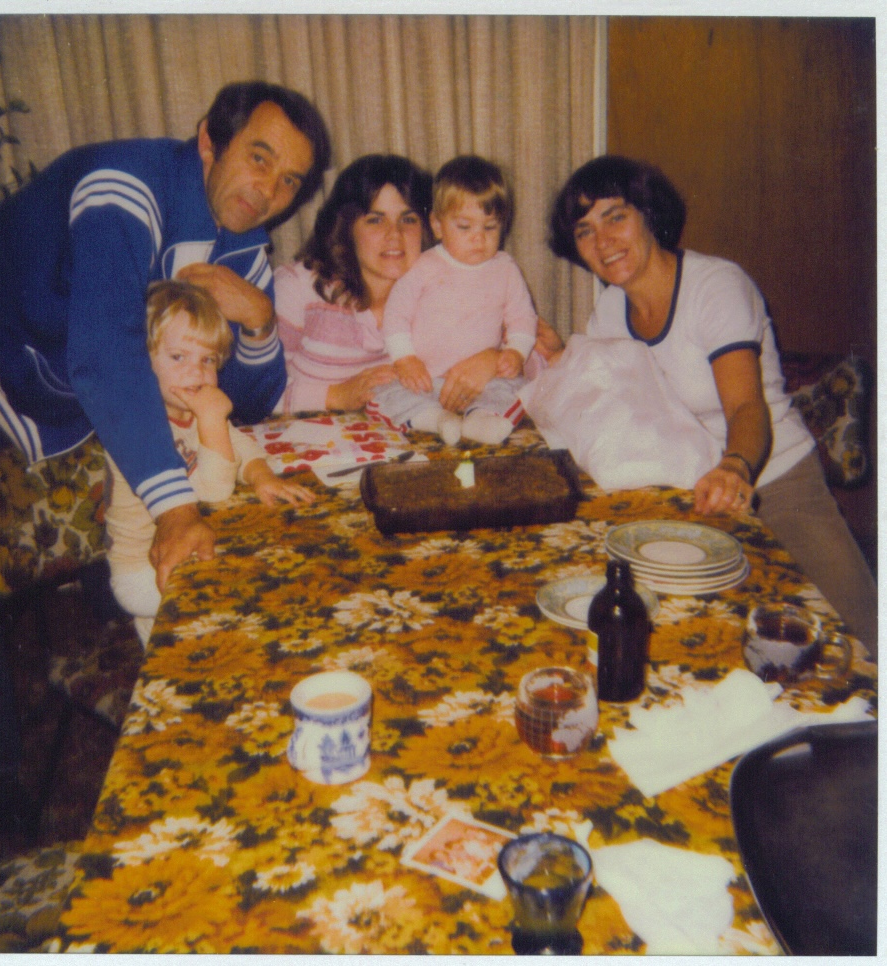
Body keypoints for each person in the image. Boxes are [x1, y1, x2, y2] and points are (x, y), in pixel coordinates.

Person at [0, 81, 330, 836]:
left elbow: (246, 401)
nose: (271, 190)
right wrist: (176, 510)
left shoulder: (240, 243)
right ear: (207, 141)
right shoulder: (125, 187)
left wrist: (255, 318)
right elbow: (103, 353)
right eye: (259, 159)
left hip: (47, 390)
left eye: (290, 180)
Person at [547, 154, 877, 655]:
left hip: (774, 480)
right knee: (703, 641)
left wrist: (734, 468)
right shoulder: (611, 308)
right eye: (584, 230)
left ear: (647, 215)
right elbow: (599, 397)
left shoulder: (715, 285)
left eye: (615, 216)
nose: (603, 241)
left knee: (863, 640)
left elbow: (746, 407)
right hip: (690, 492)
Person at [106, 280, 314, 645]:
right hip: (143, 571)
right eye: (178, 357)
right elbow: (213, 492)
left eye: (207, 360)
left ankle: (159, 650)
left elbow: (241, 446)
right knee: (255, 590)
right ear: (143, 360)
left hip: (177, 552)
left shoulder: (189, 410)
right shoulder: (137, 424)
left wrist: (261, 475)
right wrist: (212, 418)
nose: (196, 372)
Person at [366, 155, 539, 446]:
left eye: (490, 227)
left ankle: (481, 420)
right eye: (465, 227)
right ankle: (436, 420)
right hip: (425, 379)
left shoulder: (506, 269)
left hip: (483, 381)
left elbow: (523, 318)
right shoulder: (424, 266)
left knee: (518, 389)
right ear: (437, 225)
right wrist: (405, 358)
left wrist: (516, 353)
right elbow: (396, 315)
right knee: (382, 398)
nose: (478, 239)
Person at [275, 153, 433, 413]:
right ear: (347, 227)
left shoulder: (437, 292)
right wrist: (335, 396)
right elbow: (252, 395)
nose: (394, 234)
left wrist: (489, 361)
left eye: (408, 219)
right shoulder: (298, 287)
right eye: (375, 220)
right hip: (303, 446)